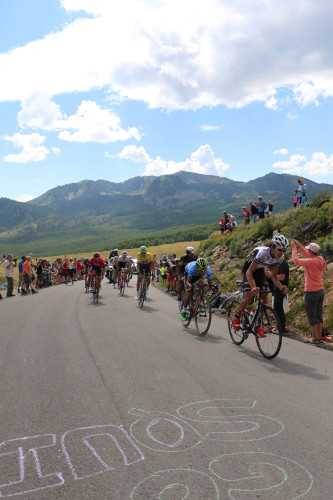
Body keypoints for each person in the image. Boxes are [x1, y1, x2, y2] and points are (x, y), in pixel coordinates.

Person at [233, 234, 289, 332]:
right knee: (249, 297)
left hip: (260, 270)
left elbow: (274, 276)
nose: (282, 253)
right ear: (273, 247)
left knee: (264, 296)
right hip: (248, 269)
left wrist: (281, 287)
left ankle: (258, 323)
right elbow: (249, 272)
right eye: (280, 250)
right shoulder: (263, 253)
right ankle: (237, 315)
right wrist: (253, 287)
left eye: (284, 251)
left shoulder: (280, 257)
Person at [291, 240, 326, 344]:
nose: (307, 252)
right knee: (318, 315)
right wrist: (299, 245)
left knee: (312, 315)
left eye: (308, 250)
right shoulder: (320, 259)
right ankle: (318, 338)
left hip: (311, 292)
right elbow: (308, 255)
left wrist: (294, 248)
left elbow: (296, 260)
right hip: (320, 291)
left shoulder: (310, 262)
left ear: (311, 251)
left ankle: (314, 338)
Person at [180, 257, 213, 322]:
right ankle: (183, 310)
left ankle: (200, 301)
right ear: (197, 267)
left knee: (202, 284)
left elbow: (209, 282)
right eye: (201, 270)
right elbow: (188, 282)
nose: (203, 272)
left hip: (198, 275)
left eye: (204, 270)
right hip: (189, 274)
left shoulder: (208, 270)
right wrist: (191, 287)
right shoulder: (192, 268)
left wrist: (211, 288)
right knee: (190, 293)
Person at [265, 259, 290, 334]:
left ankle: (281, 329)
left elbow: (282, 277)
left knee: (278, 308)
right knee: (277, 308)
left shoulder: (283, 263)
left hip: (280, 288)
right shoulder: (277, 262)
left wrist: (270, 274)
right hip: (276, 288)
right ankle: (279, 327)